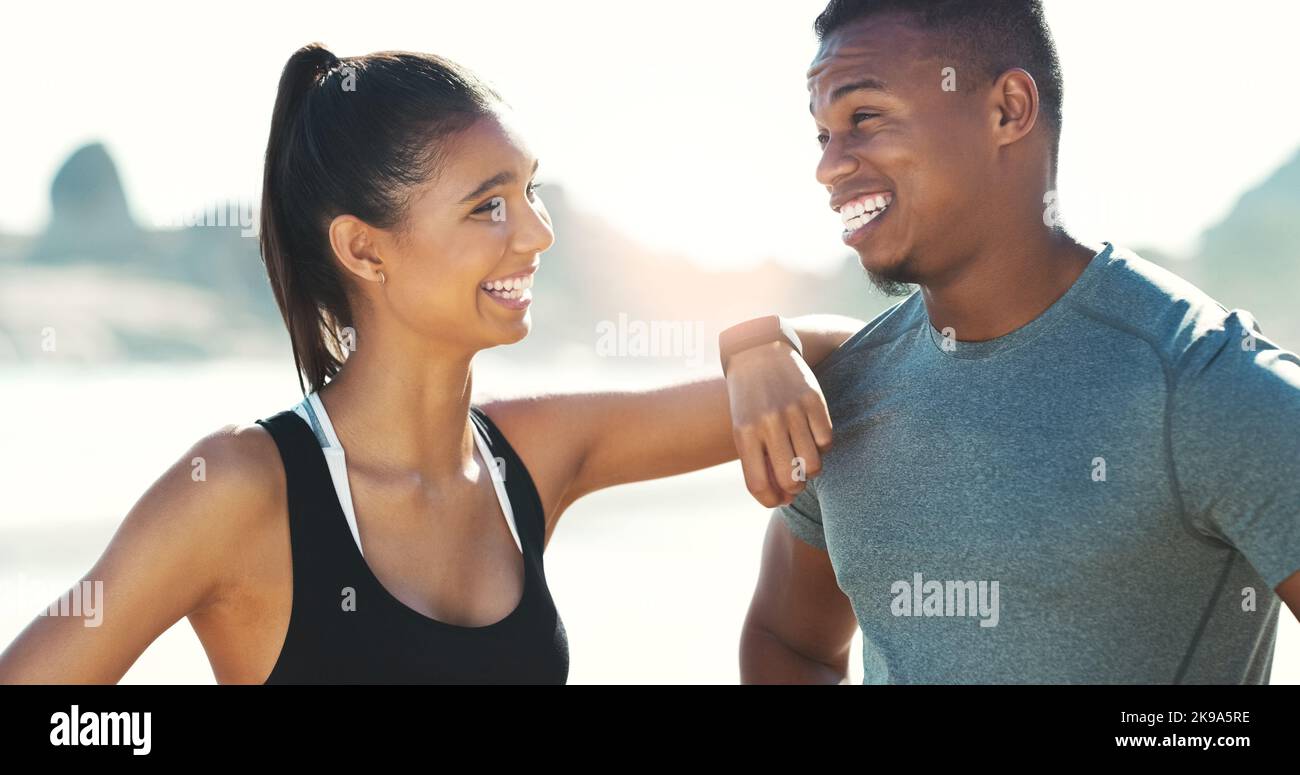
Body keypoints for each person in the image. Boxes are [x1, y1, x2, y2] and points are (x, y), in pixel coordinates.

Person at [0, 43, 863, 684]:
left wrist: (755, 341)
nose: (536, 232)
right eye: (489, 205)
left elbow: (844, 347)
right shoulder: (237, 486)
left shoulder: (531, 454)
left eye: (528, 190)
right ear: (364, 252)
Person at [740, 0, 1300, 684]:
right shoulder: (841, 396)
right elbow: (787, 642)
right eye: (822, 134)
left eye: (864, 118)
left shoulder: (1204, 379)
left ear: (1008, 109)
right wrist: (751, 342)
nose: (830, 166)